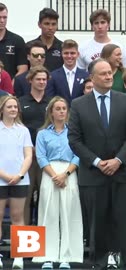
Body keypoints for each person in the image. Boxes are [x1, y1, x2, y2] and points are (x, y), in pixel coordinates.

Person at [68, 58, 126, 270]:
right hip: (94, 174)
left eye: (110, 73)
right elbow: (74, 140)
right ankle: (98, 264)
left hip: (124, 173)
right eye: (104, 74)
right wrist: (98, 162)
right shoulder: (79, 105)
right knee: (97, 224)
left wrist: (118, 160)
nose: (109, 76)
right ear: (92, 77)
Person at [32, 97, 83, 269]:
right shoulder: (43, 133)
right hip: (50, 173)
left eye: (64, 108)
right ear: (51, 112)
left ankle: (66, 257)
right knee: (49, 213)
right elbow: (40, 156)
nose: (62, 111)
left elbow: (78, 154)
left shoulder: (74, 132)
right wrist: (55, 175)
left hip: (69, 172)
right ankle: (47, 256)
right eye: (58, 108)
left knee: (69, 214)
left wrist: (66, 174)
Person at [0, 95, 33, 269]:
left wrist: (20, 175)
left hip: (20, 180)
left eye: (15, 107)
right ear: (2, 109)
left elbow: (28, 155)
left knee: (18, 217)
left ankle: (19, 256)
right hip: (0, 180)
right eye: (9, 107)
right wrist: (4, 175)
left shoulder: (23, 130)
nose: (13, 109)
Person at [18, 66, 52, 226]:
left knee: (46, 197)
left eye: (44, 79)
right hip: (27, 157)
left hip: (47, 158)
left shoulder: (52, 103)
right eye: (38, 79)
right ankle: (24, 238)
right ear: (30, 80)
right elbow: (17, 127)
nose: (42, 82)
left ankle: (45, 235)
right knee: (26, 197)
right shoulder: (20, 102)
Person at [46, 39, 89, 104]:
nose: (69, 56)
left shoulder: (86, 75)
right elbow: (50, 98)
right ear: (61, 54)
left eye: (72, 53)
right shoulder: (53, 76)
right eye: (66, 53)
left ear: (78, 54)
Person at [0, 3, 28, 79]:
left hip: (10, 88)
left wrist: (10, 85)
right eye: (0, 17)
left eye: (4, 17)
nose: (2, 20)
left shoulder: (17, 40)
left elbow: (23, 68)